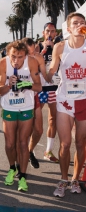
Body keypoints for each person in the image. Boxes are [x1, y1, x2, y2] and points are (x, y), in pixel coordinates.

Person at [47, 12, 86, 197]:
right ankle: (63, 179)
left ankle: (75, 179)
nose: (80, 25)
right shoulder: (60, 47)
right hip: (65, 100)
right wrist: (46, 72)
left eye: (83, 22)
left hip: (84, 101)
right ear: (69, 29)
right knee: (65, 143)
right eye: (76, 23)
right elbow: (52, 70)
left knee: (81, 143)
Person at [0, 40, 41, 192]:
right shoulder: (3, 63)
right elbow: (0, 91)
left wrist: (26, 84)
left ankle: (22, 176)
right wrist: (9, 84)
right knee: (10, 144)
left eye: (20, 57)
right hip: (9, 107)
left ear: (26, 55)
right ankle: (11, 168)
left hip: (26, 107)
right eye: (13, 56)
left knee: (23, 143)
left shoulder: (32, 62)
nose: (16, 61)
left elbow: (39, 86)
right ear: (8, 54)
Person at [31, 22, 62, 166]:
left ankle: (48, 151)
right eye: (48, 31)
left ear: (56, 33)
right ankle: (29, 150)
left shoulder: (59, 46)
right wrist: (43, 50)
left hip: (55, 87)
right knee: (34, 122)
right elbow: (32, 64)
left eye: (53, 31)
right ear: (43, 33)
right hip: (41, 88)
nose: (50, 33)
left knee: (53, 119)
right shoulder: (37, 46)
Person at [21, 38, 48, 169]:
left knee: (38, 130)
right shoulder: (17, 58)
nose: (31, 56)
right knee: (23, 130)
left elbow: (46, 75)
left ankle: (30, 151)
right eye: (28, 53)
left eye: (32, 52)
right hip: (21, 96)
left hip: (36, 94)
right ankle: (19, 160)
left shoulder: (38, 57)